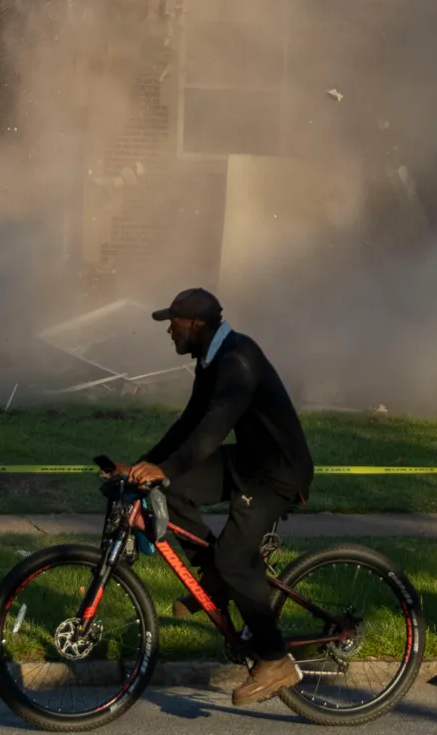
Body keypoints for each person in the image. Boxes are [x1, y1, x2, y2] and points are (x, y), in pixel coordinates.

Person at [116, 289, 314, 706]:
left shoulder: (237, 361)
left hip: (276, 475)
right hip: (248, 461)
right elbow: (190, 422)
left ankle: (275, 659)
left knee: (235, 558)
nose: (169, 329)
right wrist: (144, 467)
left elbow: (213, 430)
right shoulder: (211, 359)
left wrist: (166, 467)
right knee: (169, 492)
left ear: (196, 326)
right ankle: (216, 579)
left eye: (174, 322)